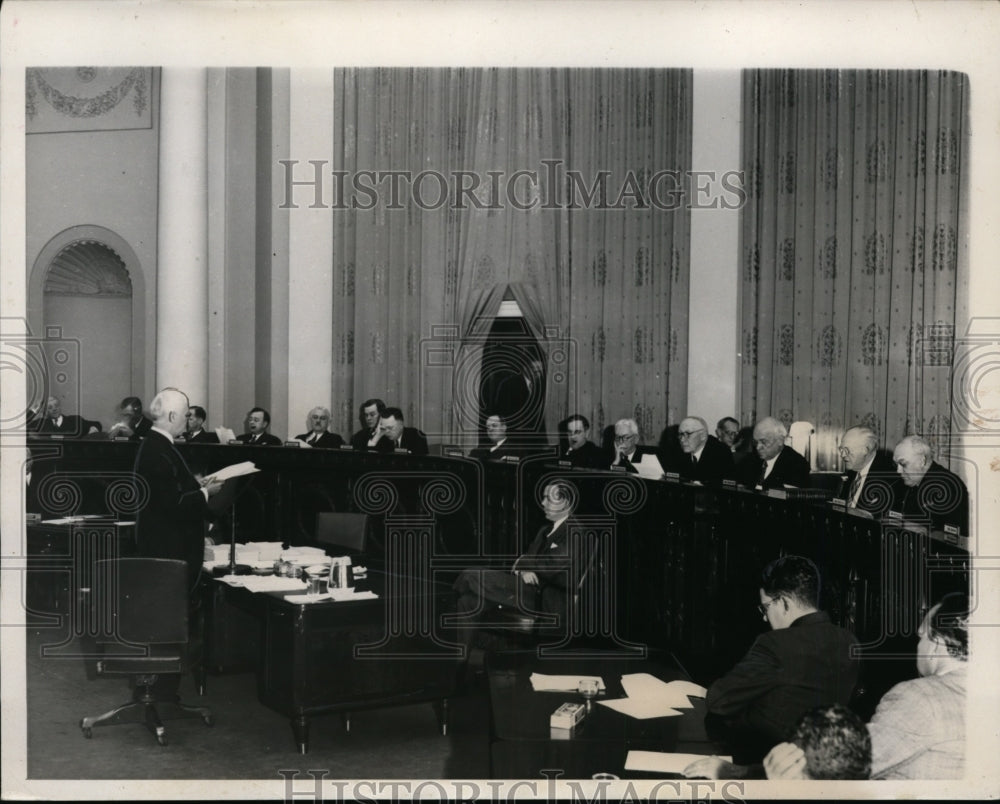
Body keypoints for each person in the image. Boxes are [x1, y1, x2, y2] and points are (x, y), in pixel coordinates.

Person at [705, 555, 859, 762]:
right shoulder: (849, 642)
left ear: (784, 603)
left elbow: (718, 700)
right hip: (819, 761)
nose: (764, 617)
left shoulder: (774, 643)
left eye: (765, 607)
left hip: (763, 760)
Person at [452, 480, 578, 646]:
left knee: (471, 575)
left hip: (547, 598)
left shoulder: (575, 532)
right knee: (467, 602)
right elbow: (523, 562)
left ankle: (446, 599)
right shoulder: (545, 530)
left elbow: (552, 565)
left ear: (565, 502)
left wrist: (527, 566)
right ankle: (461, 664)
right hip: (526, 589)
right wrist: (522, 571)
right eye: (543, 498)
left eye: (549, 498)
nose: (543, 503)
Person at [866, 592, 968, 779]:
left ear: (936, 644)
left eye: (921, 637)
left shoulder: (919, 697)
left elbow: (849, 764)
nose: (918, 646)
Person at [133, 388, 224, 591]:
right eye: (187, 415)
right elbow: (173, 504)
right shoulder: (159, 449)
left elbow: (169, 489)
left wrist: (196, 486)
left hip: (162, 543)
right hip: (167, 547)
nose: (187, 420)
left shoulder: (157, 445)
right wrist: (206, 493)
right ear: (173, 416)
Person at [890, 435, 969, 532]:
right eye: (896, 465)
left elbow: (954, 536)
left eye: (903, 464)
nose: (898, 471)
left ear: (922, 461)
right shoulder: (910, 481)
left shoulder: (948, 486)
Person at [735, 417, 811, 490]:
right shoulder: (749, 461)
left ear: (780, 440)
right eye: (755, 442)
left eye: (764, 442)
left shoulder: (797, 464)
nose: (758, 447)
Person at [835, 426, 894, 512]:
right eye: (841, 449)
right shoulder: (851, 472)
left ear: (865, 450)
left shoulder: (888, 478)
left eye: (847, 450)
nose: (842, 455)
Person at [673, 415, 734, 484]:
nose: (682, 439)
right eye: (680, 434)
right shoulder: (677, 450)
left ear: (703, 436)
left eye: (688, 434)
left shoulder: (721, 453)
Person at [32, 396, 99, 437]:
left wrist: (94, 427)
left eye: (56, 405)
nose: (54, 409)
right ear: (45, 411)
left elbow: (96, 424)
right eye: (50, 407)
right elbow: (25, 425)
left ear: (60, 407)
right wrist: (35, 409)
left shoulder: (74, 420)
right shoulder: (41, 423)